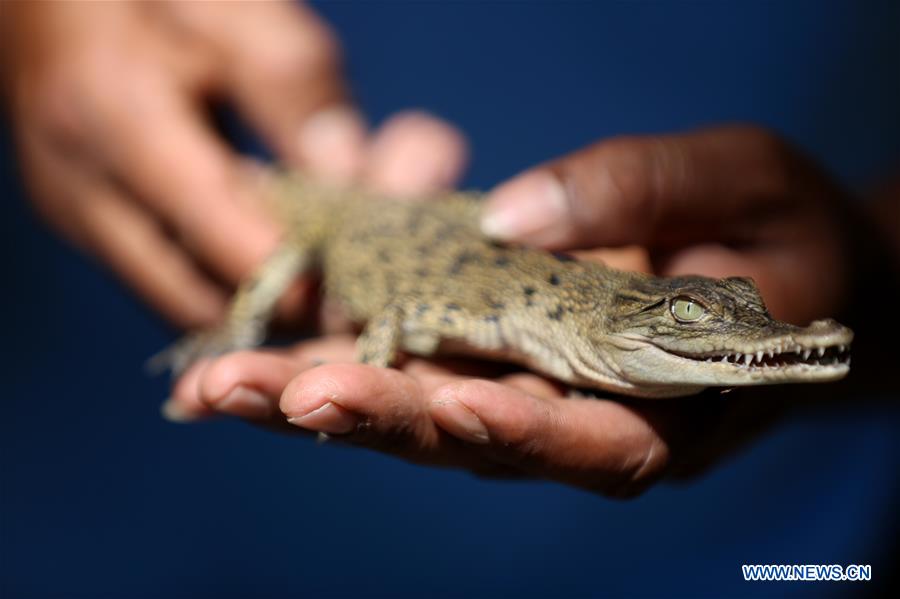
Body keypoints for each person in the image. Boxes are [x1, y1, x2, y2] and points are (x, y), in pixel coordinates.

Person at [3, 1, 897, 499]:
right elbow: (401, 312)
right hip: (84, 464)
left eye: (714, 307)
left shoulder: (592, 312)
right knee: (272, 264)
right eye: (695, 312)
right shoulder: (502, 311)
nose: (734, 327)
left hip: (782, 547)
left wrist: (875, 265)